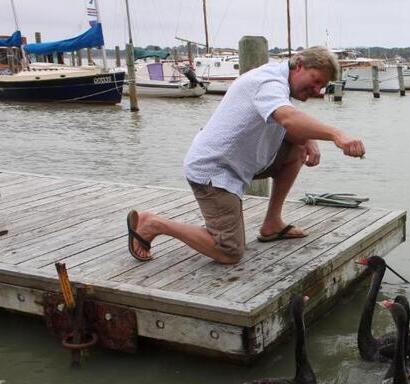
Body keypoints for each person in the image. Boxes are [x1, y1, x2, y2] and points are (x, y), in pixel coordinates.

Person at [126, 46, 365, 265]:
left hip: (242, 164)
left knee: (298, 146)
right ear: (300, 66)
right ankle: (154, 223)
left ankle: (272, 224)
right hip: (215, 171)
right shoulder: (269, 82)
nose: (316, 90)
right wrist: (337, 135)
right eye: (315, 81)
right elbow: (287, 118)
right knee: (229, 252)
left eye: (321, 87)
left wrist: (308, 139)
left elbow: (288, 119)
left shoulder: (280, 80)